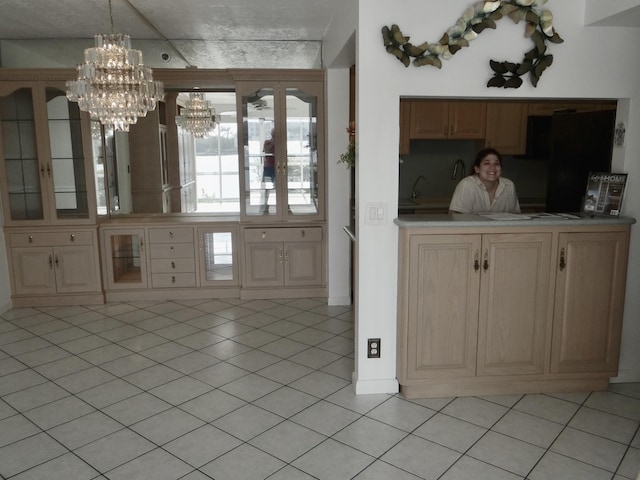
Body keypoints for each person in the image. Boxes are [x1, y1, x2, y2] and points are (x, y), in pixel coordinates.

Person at [449, 148, 521, 214]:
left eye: (496, 163)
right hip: (471, 228)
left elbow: (515, 217)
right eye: (487, 163)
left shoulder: (509, 185)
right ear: (477, 169)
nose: (492, 167)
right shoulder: (467, 185)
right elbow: (456, 218)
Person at [261, 128, 276, 213]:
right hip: (268, 167)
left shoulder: (281, 143)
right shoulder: (267, 142)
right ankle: (266, 205)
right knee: (267, 187)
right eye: (273, 133)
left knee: (280, 186)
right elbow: (266, 150)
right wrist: (273, 143)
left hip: (278, 168)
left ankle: (285, 205)